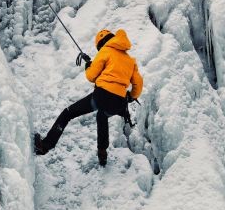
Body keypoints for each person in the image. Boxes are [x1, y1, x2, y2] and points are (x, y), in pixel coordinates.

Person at [34, 29, 143, 166]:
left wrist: (88, 66)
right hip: (119, 102)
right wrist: (131, 96)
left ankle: (45, 146)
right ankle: (102, 153)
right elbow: (138, 85)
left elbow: (91, 76)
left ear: (101, 43)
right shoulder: (130, 60)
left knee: (68, 113)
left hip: (102, 96)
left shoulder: (106, 51)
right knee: (102, 116)